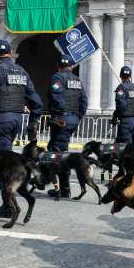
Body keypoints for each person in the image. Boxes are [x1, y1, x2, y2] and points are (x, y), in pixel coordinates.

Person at [0, 40, 43, 216]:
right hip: (15, 120)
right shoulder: (22, 71)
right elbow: (36, 101)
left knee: (0, 162)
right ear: (10, 54)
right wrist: (33, 121)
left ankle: (8, 206)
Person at [47, 55, 87, 198]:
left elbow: (56, 98)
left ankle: (64, 189)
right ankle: (60, 186)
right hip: (72, 119)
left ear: (58, 65)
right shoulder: (77, 80)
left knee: (58, 154)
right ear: (72, 66)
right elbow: (84, 101)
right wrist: (77, 117)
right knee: (56, 150)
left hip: (61, 119)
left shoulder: (57, 78)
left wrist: (60, 114)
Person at [112, 66, 134, 144]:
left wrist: (115, 116)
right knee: (129, 145)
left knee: (123, 147)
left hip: (125, 121)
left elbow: (121, 105)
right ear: (130, 76)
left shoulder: (121, 88)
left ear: (120, 76)